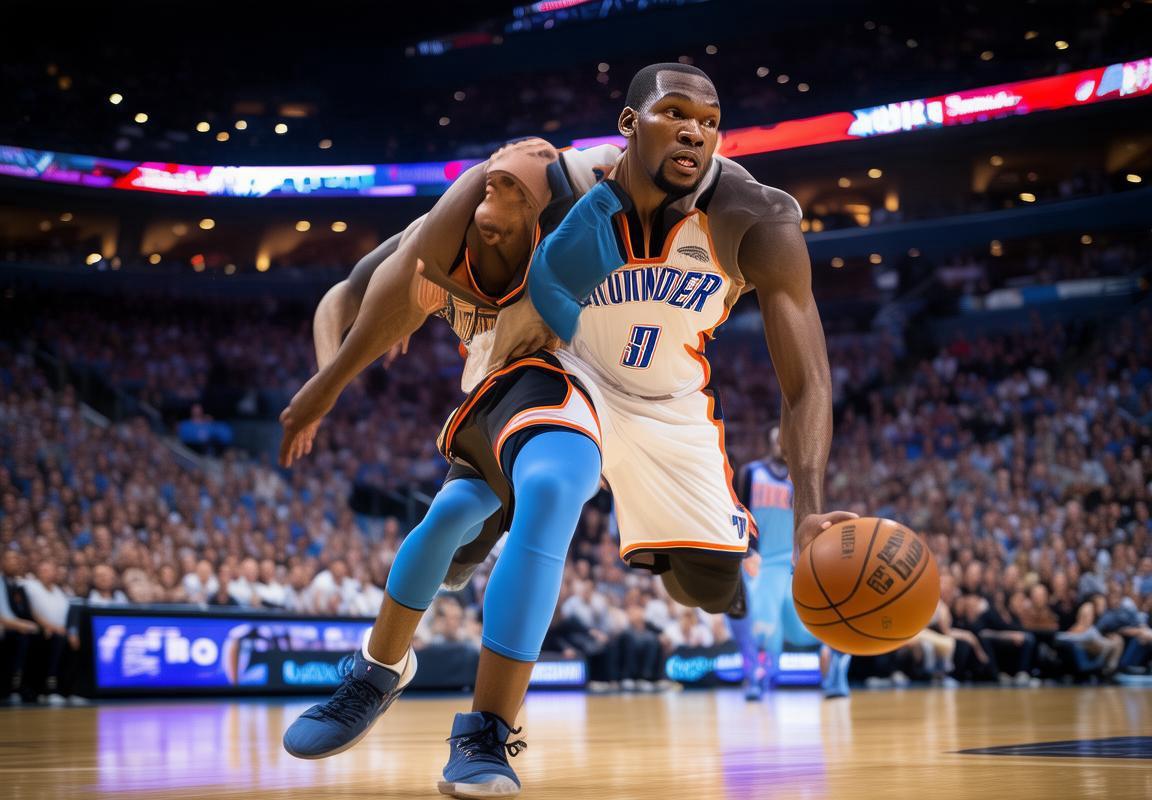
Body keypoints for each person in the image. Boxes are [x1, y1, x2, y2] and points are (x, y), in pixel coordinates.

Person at [279, 138, 614, 798]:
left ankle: (487, 727)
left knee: (530, 500)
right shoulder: (432, 238)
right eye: (492, 186)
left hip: (576, 386)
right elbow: (340, 298)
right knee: (445, 518)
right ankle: (380, 670)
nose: (496, 204)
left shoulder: (569, 226)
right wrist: (329, 375)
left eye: (514, 192)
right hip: (497, 394)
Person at [727, 428, 851, 700]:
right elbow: (738, 512)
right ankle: (757, 678)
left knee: (805, 627)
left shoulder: (803, 480)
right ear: (770, 442)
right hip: (762, 563)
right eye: (777, 439)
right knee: (762, 626)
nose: (781, 444)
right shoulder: (751, 473)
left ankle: (836, 667)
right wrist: (747, 551)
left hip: (793, 563)